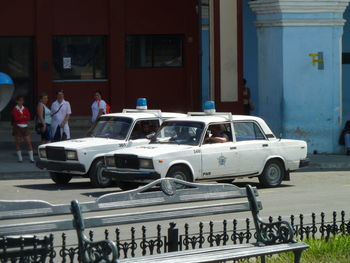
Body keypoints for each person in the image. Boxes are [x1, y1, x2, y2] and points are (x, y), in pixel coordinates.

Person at [11, 95, 34, 163]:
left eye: (22, 100)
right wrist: (23, 116)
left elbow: (28, 117)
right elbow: (16, 118)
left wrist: (21, 117)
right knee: (18, 143)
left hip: (25, 127)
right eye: (20, 100)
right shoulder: (14, 109)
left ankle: (31, 158)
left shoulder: (25, 108)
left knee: (28, 142)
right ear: (17, 101)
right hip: (17, 127)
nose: (21, 102)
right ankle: (20, 158)